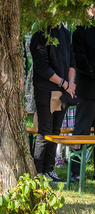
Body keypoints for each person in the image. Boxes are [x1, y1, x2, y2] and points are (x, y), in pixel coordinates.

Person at [30, 24, 76, 183]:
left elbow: (72, 60)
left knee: (55, 131)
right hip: (46, 90)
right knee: (45, 131)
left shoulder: (64, 32)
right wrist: (64, 83)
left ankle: (49, 169)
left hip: (63, 90)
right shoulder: (40, 34)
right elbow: (42, 67)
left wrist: (70, 84)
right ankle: (38, 171)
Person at [70, 7, 95, 181]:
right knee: (81, 130)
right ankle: (76, 171)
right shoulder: (79, 30)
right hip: (87, 90)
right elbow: (79, 60)